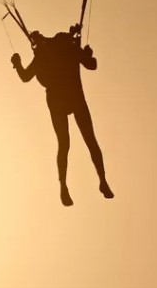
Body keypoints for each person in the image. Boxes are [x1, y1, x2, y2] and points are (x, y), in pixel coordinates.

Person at [11, 25, 113, 206]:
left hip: (63, 98)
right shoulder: (65, 48)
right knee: (81, 142)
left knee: (73, 143)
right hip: (70, 97)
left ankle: (80, 184)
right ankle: (90, 183)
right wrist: (88, 54)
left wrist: (17, 63)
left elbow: (26, 76)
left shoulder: (54, 50)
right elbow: (92, 65)